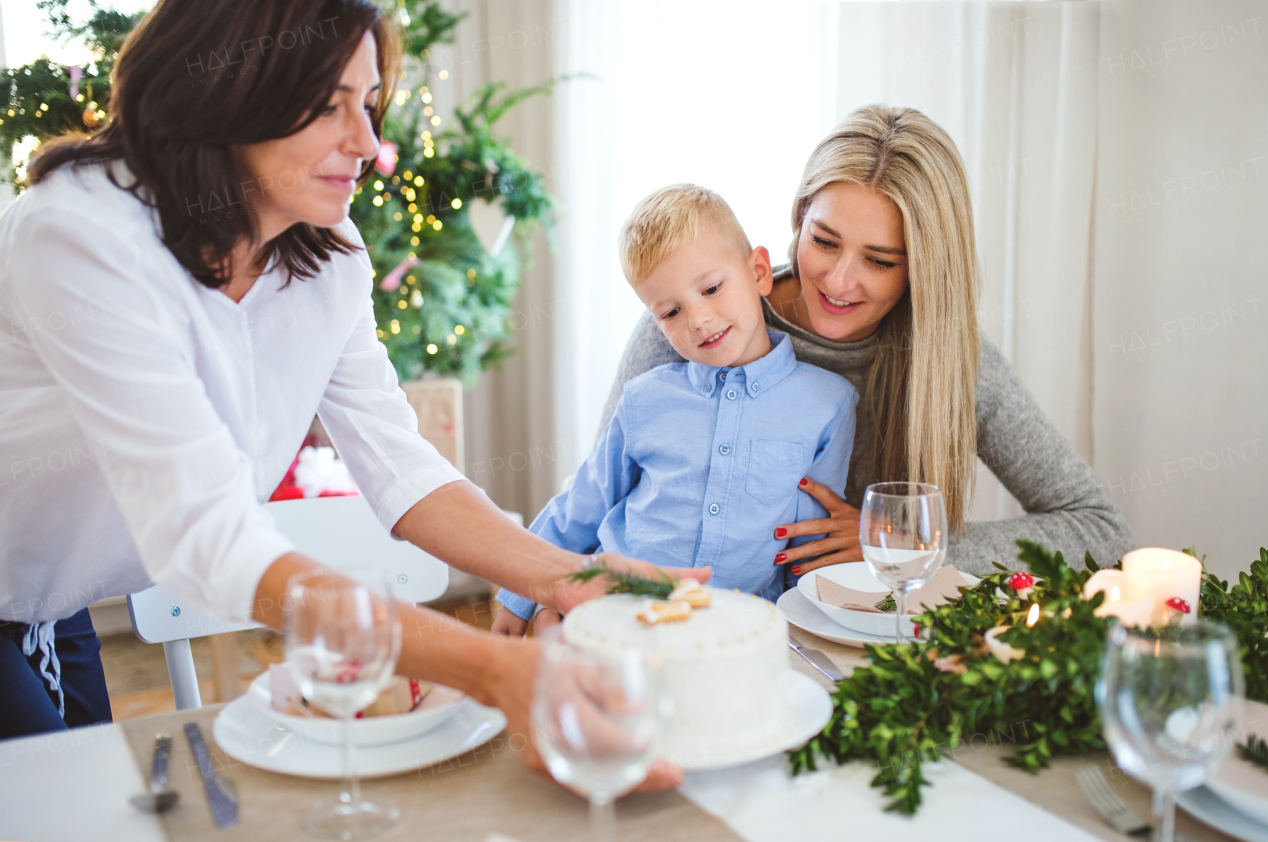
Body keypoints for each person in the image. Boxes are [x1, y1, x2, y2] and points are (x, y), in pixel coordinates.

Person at [0, 0, 703, 791]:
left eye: (368, 106)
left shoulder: (328, 254)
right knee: (49, 808)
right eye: (329, 107)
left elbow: (402, 470)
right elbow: (210, 544)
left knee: (89, 804)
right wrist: (495, 670)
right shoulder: (82, 236)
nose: (369, 146)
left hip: (48, 600)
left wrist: (568, 575)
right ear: (229, 93)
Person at [602, 106, 1135, 578]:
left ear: (923, 268)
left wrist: (902, 540)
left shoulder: (951, 361)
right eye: (823, 241)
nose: (838, 281)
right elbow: (600, 497)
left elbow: (1099, 529)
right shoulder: (694, 321)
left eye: (879, 261)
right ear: (799, 219)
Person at [491, 185, 857, 636]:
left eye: (711, 288)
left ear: (759, 271)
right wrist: (519, 595)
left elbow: (812, 542)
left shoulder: (829, 404)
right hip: (620, 613)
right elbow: (582, 505)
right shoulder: (645, 397)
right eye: (670, 312)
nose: (698, 319)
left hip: (740, 627)